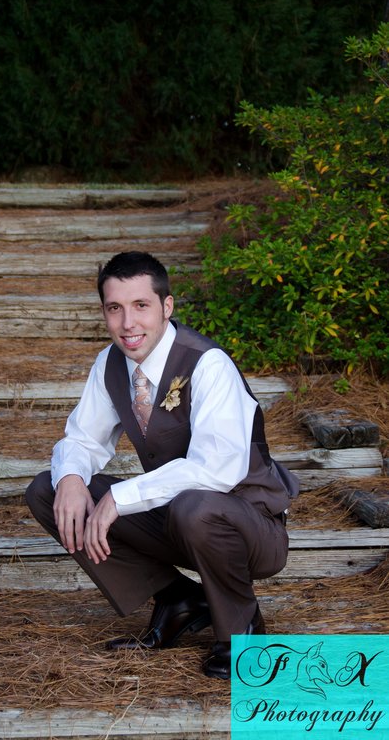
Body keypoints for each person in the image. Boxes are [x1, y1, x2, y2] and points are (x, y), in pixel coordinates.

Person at [25, 251, 298, 678]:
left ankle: (241, 631)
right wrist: (74, 478)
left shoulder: (208, 364)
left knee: (197, 506)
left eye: (141, 306)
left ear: (166, 307)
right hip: (178, 519)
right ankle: (178, 598)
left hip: (251, 526)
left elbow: (217, 470)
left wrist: (119, 497)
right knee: (50, 489)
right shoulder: (111, 364)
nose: (127, 324)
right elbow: (81, 439)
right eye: (115, 309)